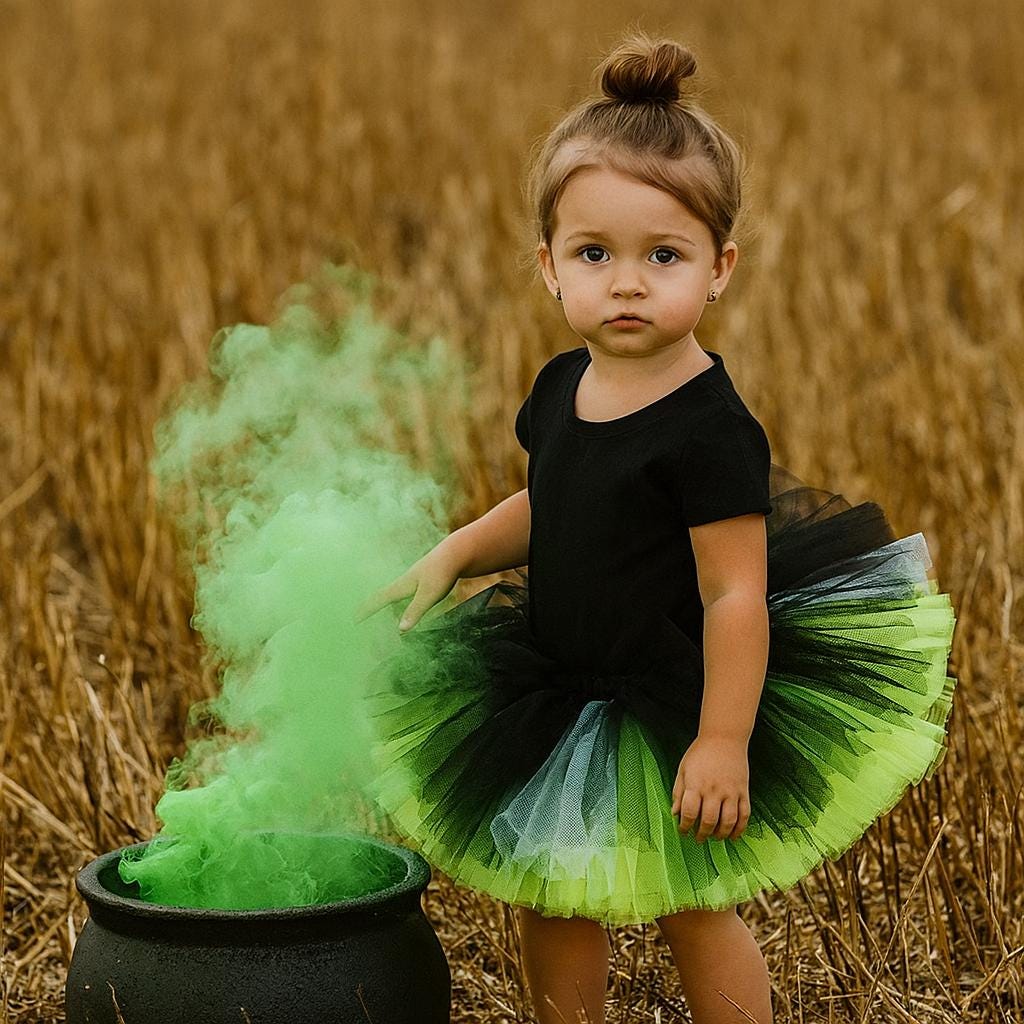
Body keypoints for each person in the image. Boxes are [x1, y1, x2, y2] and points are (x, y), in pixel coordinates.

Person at [353, 31, 957, 1024]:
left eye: (661, 255)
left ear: (718, 268)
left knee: (688, 900)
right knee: (551, 891)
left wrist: (720, 740)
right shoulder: (560, 387)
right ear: (548, 266)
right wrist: (456, 552)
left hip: (671, 693)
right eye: (595, 254)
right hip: (555, 682)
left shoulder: (711, 430)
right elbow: (558, 503)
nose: (625, 281)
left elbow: (733, 591)